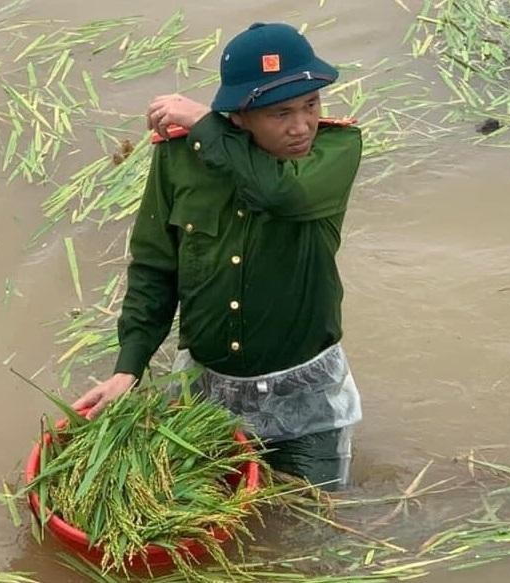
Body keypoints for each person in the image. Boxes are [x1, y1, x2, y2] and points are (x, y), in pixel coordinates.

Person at [73, 22, 363, 490]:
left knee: (312, 526)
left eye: (310, 105)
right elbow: (154, 268)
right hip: (209, 393)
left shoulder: (334, 150)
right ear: (240, 115)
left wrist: (205, 124)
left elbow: (280, 194)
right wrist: (129, 368)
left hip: (307, 398)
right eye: (280, 113)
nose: (301, 125)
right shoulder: (179, 158)